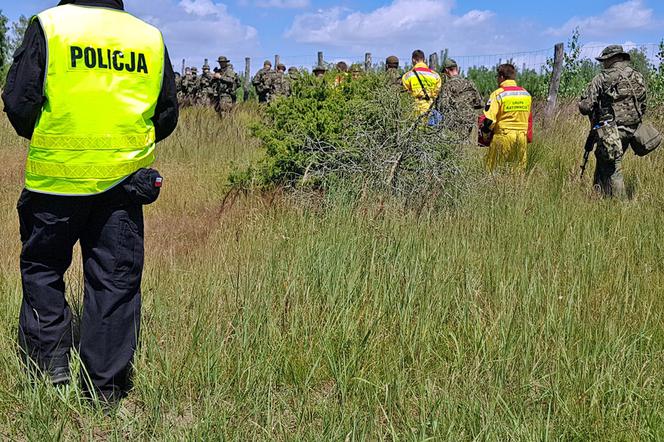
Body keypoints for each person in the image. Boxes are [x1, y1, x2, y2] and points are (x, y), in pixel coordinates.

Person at [1, 0, 178, 407]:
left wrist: (50, 136)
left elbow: (19, 101)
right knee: (115, 283)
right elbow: (166, 113)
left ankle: (52, 366)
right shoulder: (148, 38)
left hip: (54, 183)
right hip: (123, 185)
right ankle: (105, 391)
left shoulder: (50, 25)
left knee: (43, 269)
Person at [578, 45, 647, 199]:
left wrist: (582, 102)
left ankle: (621, 207)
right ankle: (599, 197)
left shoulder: (602, 77)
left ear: (610, 59)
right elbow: (643, 105)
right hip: (632, 129)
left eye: (604, 60)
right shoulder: (637, 76)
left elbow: (585, 107)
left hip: (609, 130)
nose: (603, 64)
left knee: (613, 166)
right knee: (606, 159)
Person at [480, 63, 533, 172]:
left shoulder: (498, 94)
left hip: (503, 136)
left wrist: (485, 136)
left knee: (493, 172)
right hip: (521, 138)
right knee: (517, 172)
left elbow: (489, 120)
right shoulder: (526, 94)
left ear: (501, 77)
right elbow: (529, 119)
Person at [436, 58, 483, 137]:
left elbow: (442, 106)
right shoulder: (470, 83)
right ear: (456, 69)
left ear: (447, 70)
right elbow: (480, 103)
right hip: (470, 124)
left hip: (455, 125)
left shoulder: (448, 85)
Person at [402, 50, 442, 115]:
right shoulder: (435, 75)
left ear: (413, 60)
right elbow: (436, 93)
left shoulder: (407, 76)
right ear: (424, 59)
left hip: (414, 108)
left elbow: (406, 94)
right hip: (430, 108)